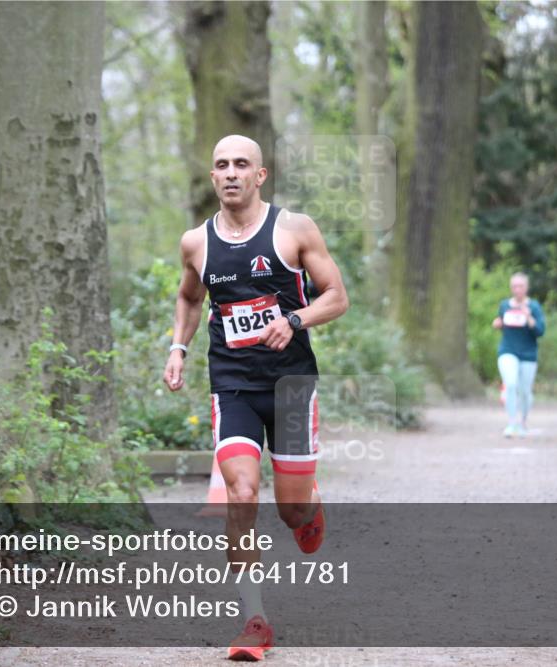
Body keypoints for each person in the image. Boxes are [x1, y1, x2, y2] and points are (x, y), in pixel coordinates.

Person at [163, 135, 349, 661]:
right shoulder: (195, 242)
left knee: (291, 513)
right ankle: (255, 619)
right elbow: (188, 296)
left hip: (291, 385)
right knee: (241, 492)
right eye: (221, 165)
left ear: (260, 175)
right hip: (234, 384)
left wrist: (294, 319)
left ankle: (305, 506)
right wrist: (178, 347)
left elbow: (336, 296)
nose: (230, 173)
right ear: (212, 175)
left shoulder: (293, 229)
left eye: (241, 164)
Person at [492, 273, 546, 438]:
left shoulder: (534, 307)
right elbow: (502, 322)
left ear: (526, 287)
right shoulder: (504, 305)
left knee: (524, 391)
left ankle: (523, 421)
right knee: (511, 384)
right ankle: (511, 423)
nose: (517, 289)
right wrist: (497, 324)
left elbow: (540, 331)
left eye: (520, 286)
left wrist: (528, 316)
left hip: (528, 354)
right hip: (507, 351)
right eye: (514, 286)